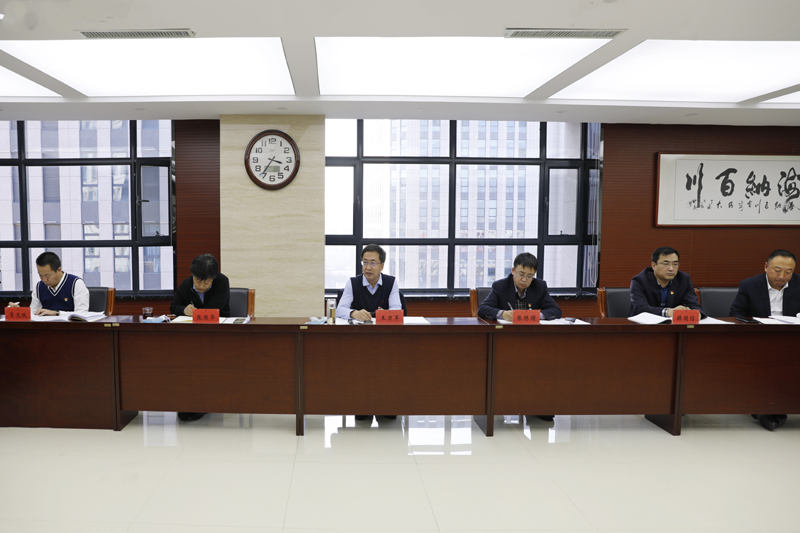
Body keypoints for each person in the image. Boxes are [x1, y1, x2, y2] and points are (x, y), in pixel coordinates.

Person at [729, 249, 799, 431]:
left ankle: (770, 409)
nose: (782, 276)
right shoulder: (749, 285)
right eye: (777, 270)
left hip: (793, 340)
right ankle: (769, 409)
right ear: (766, 266)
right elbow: (735, 314)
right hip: (759, 340)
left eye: (789, 272)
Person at [336, 244, 402, 422]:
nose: (368, 267)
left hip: (385, 340)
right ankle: (362, 404)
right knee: (361, 368)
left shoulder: (391, 282)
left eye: (373, 263)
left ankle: (387, 404)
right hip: (359, 341)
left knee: (388, 368)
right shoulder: (353, 283)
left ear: (382, 265)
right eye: (365, 262)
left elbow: (397, 310)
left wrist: (383, 315)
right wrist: (353, 313)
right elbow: (340, 308)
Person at [170, 253, 231, 422]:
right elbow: (174, 306)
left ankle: (205, 401)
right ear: (193, 275)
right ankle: (188, 401)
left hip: (218, 333)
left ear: (214, 278)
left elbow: (216, 308)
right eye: (198, 281)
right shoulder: (186, 284)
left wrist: (196, 313)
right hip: (193, 335)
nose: (201, 286)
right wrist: (184, 310)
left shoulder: (222, 282)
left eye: (206, 282)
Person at [477, 252, 562, 322]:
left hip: (531, 331)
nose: (524, 279)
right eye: (521, 274)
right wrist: (503, 314)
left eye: (529, 276)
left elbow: (556, 310)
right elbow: (482, 309)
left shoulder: (539, 286)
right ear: (513, 271)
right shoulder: (500, 286)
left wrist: (535, 316)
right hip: (507, 331)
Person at [9, 252, 89, 316]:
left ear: (59, 270)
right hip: (45, 329)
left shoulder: (76, 283)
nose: (44, 279)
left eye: (47, 276)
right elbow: (33, 313)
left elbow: (82, 314)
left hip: (70, 329)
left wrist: (56, 313)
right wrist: (18, 311)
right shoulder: (39, 286)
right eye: (40, 275)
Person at [630, 246, 703, 317]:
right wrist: (667, 312)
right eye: (666, 264)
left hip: (673, 323)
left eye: (675, 264)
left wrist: (697, 313)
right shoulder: (640, 281)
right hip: (645, 323)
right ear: (654, 265)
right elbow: (641, 308)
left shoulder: (683, 279)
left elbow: (693, 304)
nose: (671, 268)